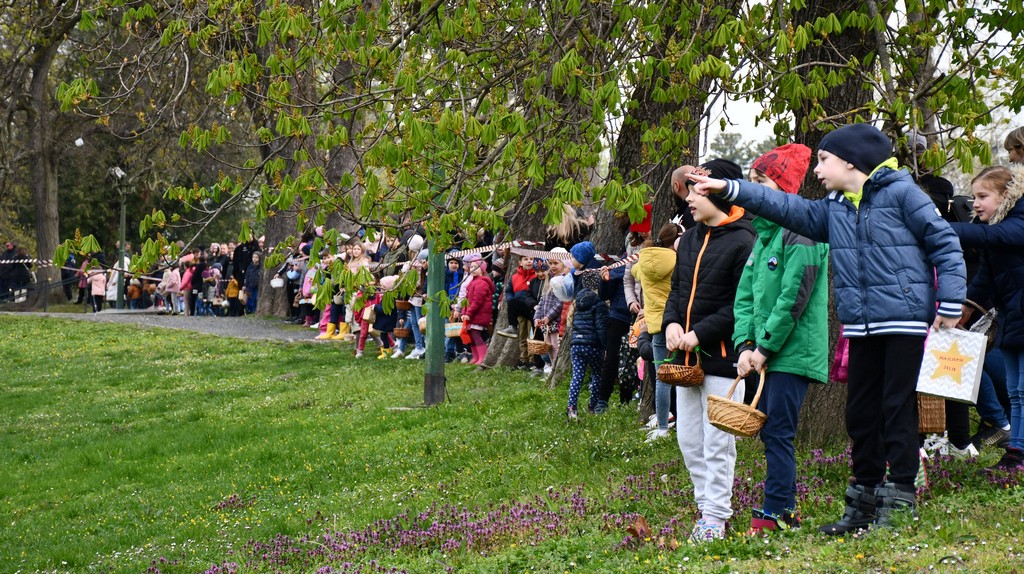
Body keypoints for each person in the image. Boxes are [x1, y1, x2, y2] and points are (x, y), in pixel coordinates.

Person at [690, 123, 966, 535]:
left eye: (823, 159)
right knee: (860, 413)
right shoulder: (833, 207)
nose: (816, 169)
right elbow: (785, 207)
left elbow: (944, 242)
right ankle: (863, 501)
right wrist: (730, 189)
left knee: (896, 408)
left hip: (904, 321)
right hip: (861, 326)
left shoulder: (903, 193)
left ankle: (900, 498)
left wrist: (951, 302)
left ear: (851, 161)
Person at [729, 144, 830, 534]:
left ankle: (777, 511)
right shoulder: (763, 235)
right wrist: (744, 345)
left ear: (784, 189)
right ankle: (783, 508)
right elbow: (745, 297)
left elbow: (794, 297)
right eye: (751, 180)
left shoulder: (803, 233)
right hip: (762, 353)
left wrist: (765, 347)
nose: (754, 189)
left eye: (762, 181)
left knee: (778, 432)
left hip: (791, 352)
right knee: (771, 431)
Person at [663, 158, 755, 542]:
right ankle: (705, 508)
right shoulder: (689, 239)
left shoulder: (745, 241)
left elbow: (741, 305)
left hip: (723, 360)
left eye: (698, 191)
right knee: (688, 439)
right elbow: (676, 290)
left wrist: (699, 333)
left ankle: (716, 517)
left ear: (720, 192)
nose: (689, 199)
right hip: (686, 362)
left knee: (718, 443)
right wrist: (671, 323)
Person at [949, 165, 1024, 471]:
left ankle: (1019, 452)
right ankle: (1016, 452)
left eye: (983, 196)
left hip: (1020, 315)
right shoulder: (998, 226)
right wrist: (969, 304)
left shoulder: (1017, 222)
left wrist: (935, 228)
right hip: (1013, 318)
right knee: (1015, 391)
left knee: (1022, 390)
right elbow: (985, 276)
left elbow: (993, 237)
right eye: (974, 197)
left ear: (1006, 196)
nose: (975, 203)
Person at [630, 223, 681, 441]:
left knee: (662, 379)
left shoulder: (643, 261)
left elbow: (634, 271)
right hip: (676, 322)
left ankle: (662, 427)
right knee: (683, 374)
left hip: (655, 327)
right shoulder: (678, 260)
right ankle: (684, 422)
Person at [566, 271, 608, 420]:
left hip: (576, 345)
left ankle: (571, 408)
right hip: (593, 346)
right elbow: (601, 327)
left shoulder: (577, 302)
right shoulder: (600, 303)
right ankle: (593, 405)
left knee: (577, 376)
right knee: (597, 374)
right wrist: (605, 346)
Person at [462, 259, 495, 365]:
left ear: (482, 269)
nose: (473, 269)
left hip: (479, 314)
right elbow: (467, 300)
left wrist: (468, 314)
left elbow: (477, 301)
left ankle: (482, 357)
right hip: (472, 314)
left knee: (476, 335)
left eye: (476, 267)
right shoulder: (472, 282)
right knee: (471, 335)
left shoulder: (482, 282)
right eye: (471, 267)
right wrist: (464, 312)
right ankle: (476, 357)